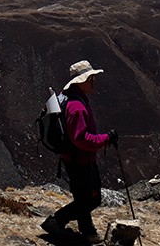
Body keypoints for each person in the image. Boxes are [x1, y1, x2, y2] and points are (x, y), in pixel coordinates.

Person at [40, 60, 117, 245]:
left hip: (72, 158)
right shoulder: (77, 107)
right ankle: (56, 221)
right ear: (80, 81)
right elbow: (82, 139)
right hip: (81, 160)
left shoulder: (69, 98)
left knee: (82, 196)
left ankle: (87, 230)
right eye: (90, 78)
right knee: (92, 199)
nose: (93, 81)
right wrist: (106, 138)